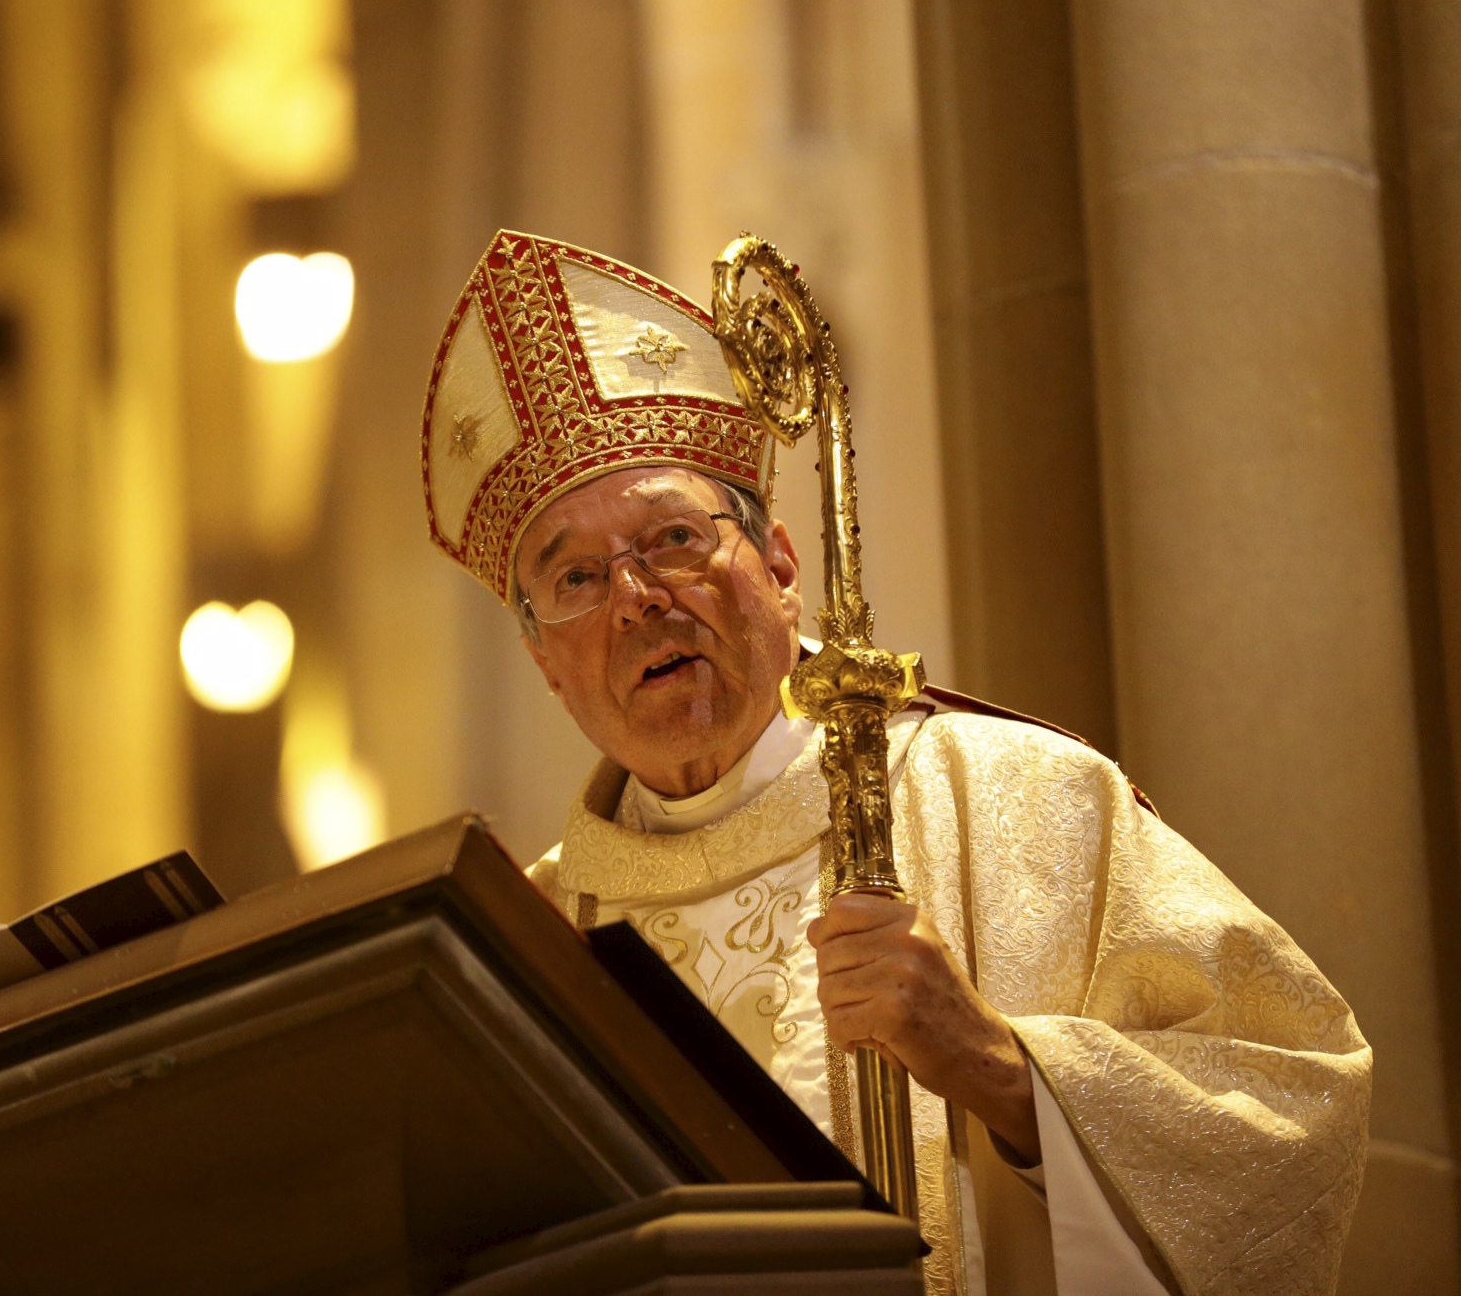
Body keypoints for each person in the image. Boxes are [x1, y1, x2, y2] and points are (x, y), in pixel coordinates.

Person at [421, 231, 1371, 1296]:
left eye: (675, 539)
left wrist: (1001, 1068)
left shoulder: (1024, 798)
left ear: (780, 566)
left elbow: (1295, 1115)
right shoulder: (534, 938)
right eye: (578, 577)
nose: (638, 596)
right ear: (545, 661)